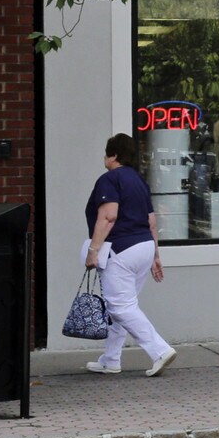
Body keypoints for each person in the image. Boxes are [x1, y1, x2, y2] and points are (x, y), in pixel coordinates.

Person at [83, 133, 177, 376]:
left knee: (120, 307)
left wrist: (93, 251)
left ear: (113, 155)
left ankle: (160, 350)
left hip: (121, 249)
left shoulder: (109, 179)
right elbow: (151, 221)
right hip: (144, 246)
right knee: (124, 306)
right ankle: (110, 359)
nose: (104, 158)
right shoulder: (138, 180)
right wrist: (155, 256)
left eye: (106, 153)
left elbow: (108, 217)